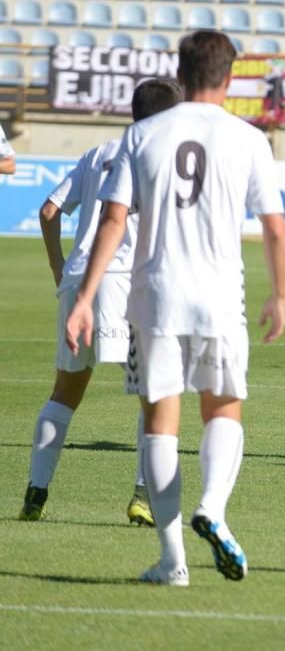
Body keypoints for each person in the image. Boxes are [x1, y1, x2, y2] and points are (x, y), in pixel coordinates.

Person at [65, 30, 285, 587]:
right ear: (229, 77)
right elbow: (275, 228)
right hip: (220, 296)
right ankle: (213, 505)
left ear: (181, 72)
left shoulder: (144, 134)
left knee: (160, 425)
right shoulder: (248, 138)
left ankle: (172, 562)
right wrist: (279, 294)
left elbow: (113, 221)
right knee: (222, 411)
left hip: (155, 295)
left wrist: (87, 297)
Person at [18, 78, 183, 524]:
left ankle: (36, 492)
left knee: (65, 393)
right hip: (124, 283)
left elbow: (48, 211)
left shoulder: (96, 154)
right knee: (157, 393)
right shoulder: (159, 156)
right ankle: (143, 496)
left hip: (78, 282)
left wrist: (60, 268)